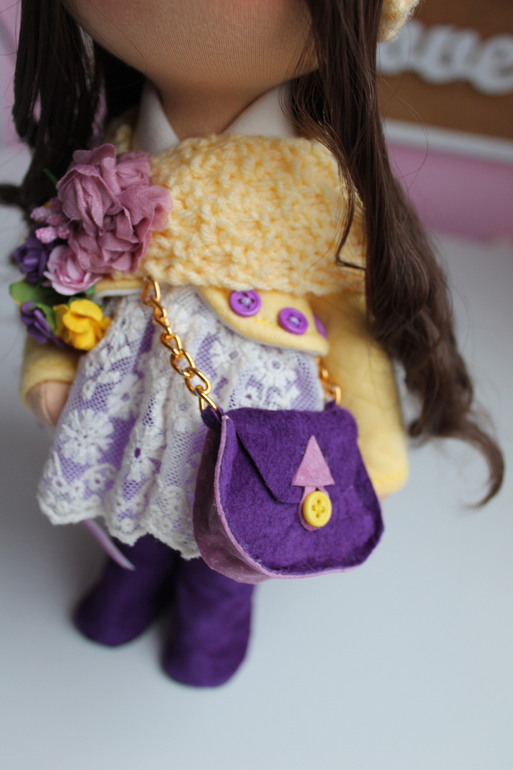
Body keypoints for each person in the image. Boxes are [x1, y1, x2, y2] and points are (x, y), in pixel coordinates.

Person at [1, 0, 503, 687]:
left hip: (259, 414)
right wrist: (50, 366)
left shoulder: (318, 185)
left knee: (240, 528)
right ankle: (127, 585)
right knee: (132, 503)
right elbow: (64, 285)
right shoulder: (106, 158)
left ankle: (213, 621)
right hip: (133, 402)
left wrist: (375, 441)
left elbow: (350, 327)